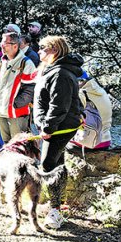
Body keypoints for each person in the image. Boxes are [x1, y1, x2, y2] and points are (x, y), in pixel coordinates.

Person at [33, 35, 83, 229]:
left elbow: (59, 106)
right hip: (56, 125)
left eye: (42, 48)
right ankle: (57, 204)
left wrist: (47, 128)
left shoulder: (60, 73)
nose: (39, 51)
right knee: (57, 164)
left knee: (48, 164)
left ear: (54, 50)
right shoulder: (52, 70)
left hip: (60, 127)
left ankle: (56, 212)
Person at [0, 32, 37, 145]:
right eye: (2, 42)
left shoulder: (26, 63)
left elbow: (31, 88)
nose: (2, 45)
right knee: (7, 144)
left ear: (15, 46)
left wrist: (16, 103)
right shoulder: (3, 61)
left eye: (5, 43)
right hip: (1, 110)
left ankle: (22, 163)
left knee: (19, 145)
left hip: (16, 112)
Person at [70, 71, 113, 150]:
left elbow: (73, 118)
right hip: (106, 140)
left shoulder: (81, 93)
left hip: (89, 141)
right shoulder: (101, 91)